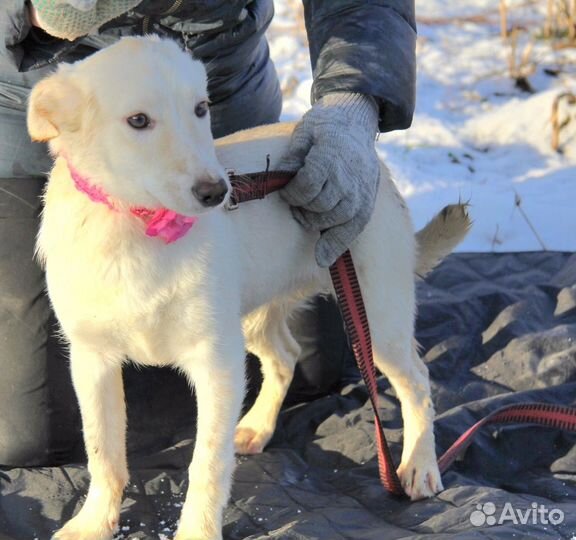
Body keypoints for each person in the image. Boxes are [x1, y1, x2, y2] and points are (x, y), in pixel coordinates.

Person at [0, 0, 416, 466]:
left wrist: (353, 103)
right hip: (30, 102)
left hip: (216, 89)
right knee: (27, 437)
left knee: (314, 371)